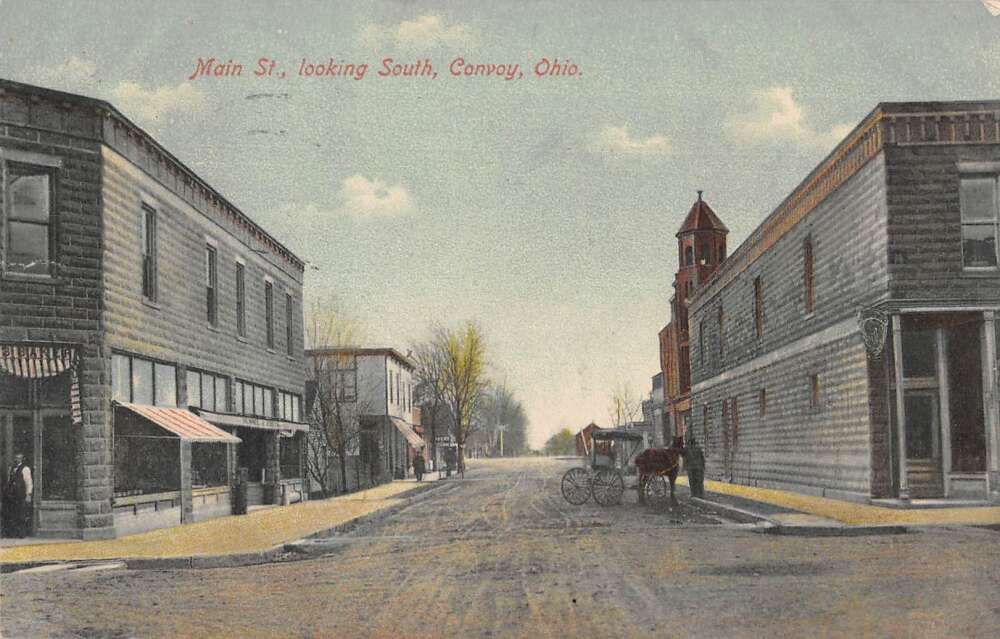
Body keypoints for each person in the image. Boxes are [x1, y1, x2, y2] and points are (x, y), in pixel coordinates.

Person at [3, 453, 33, 538]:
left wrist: (28, 494)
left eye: (19, 458)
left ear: (22, 459)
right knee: (13, 514)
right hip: (12, 496)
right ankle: (13, 533)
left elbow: (28, 482)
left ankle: (21, 534)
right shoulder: (12, 468)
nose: (17, 460)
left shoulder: (25, 469)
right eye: (16, 458)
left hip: (21, 495)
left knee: (21, 514)